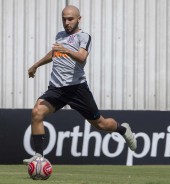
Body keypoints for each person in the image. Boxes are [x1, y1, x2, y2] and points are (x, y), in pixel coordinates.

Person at [23, 5, 137, 164]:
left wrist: (66, 49)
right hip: (56, 89)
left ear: (78, 19)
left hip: (77, 89)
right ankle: (39, 157)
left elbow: (82, 57)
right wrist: (36, 65)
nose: (66, 22)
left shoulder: (84, 37)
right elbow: (54, 53)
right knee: (37, 112)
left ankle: (123, 129)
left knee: (101, 124)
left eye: (70, 19)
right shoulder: (60, 35)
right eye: (64, 19)